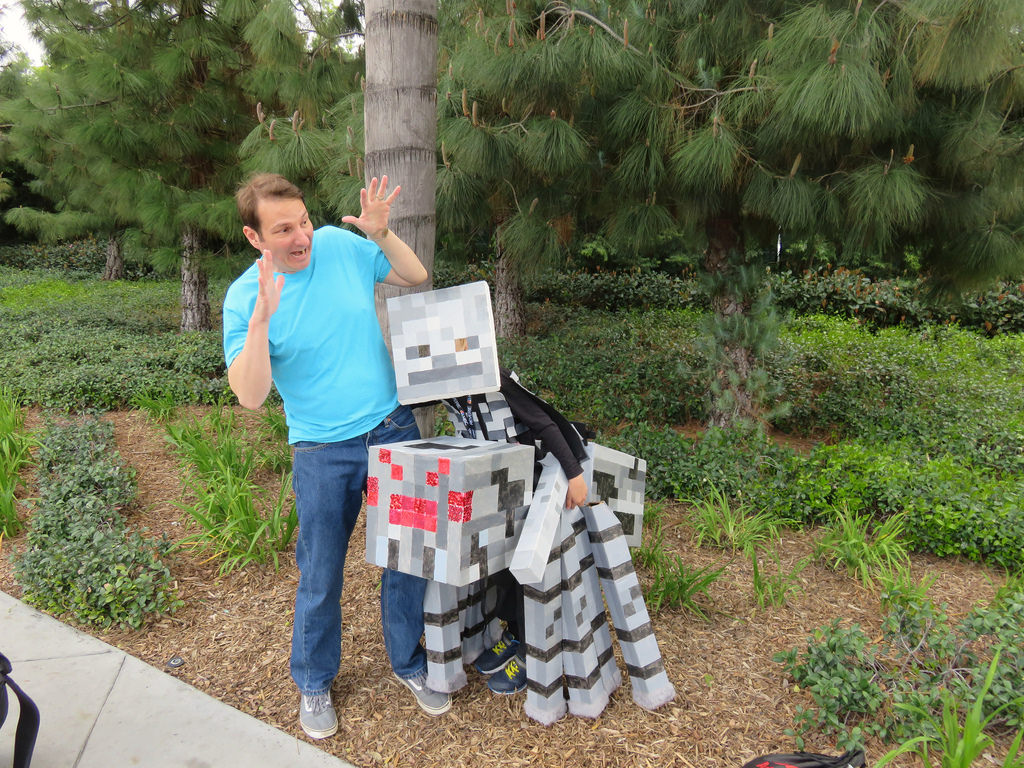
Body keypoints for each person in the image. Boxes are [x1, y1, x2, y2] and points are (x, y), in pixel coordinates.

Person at [222, 173, 449, 740]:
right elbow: (250, 396)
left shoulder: (342, 246)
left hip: (391, 427)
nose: (300, 236)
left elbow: (415, 275)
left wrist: (382, 233)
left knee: (407, 557)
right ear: (255, 238)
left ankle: (408, 662)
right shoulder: (244, 297)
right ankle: (315, 682)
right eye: (283, 229)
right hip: (322, 450)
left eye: (301, 221)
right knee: (320, 574)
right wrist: (260, 322)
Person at [444, 368, 590, 694]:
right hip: (495, 487)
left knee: (526, 572)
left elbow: (545, 423)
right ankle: (514, 632)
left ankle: (530, 653)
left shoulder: (496, 380)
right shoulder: (446, 388)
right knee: (503, 570)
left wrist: (574, 473)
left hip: (528, 484)